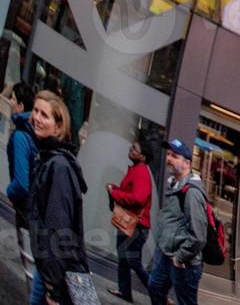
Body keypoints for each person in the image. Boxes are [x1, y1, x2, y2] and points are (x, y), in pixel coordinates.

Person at [29, 89, 96, 305]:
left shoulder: (58, 166)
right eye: (35, 111)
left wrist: (52, 290)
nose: (36, 118)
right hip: (51, 269)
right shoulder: (49, 159)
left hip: (58, 275)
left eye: (45, 115)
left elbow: (58, 229)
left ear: (59, 127)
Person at [148, 139, 206, 305]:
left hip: (183, 262)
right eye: (168, 155)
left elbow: (199, 236)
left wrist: (180, 257)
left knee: (184, 301)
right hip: (166, 253)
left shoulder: (192, 193)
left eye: (174, 156)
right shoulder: (174, 185)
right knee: (155, 287)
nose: (169, 159)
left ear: (187, 163)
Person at [106, 139, 154, 302]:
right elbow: (130, 193)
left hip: (137, 226)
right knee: (124, 257)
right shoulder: (136, 169)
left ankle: (158, 294)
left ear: (143, 156)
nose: (130, 149)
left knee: (132, 260)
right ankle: (124, 291)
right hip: (130, 223)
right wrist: (115, 189)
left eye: (134, 148)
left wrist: (115, 194)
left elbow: (138, 199)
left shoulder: (141, 172)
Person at [6, 81, 36, 279]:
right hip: (37, 208)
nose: (10, 102)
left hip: (26, 208)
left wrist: (10, 191)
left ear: (21, 107)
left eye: (13, 99)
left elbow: (21, 183)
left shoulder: (20, 136)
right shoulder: (34, 131)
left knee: (30, 266)